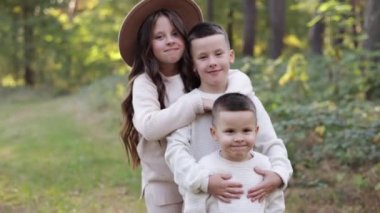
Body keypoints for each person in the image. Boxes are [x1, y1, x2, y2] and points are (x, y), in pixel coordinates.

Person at [118, 1, 253, 212]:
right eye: (159, 37)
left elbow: (234, 79)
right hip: (166, 187)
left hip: (206, 179)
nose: (169, 41)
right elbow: (150, 127)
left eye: (175, 34)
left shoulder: (194, 72)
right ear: (147, 43)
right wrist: (195, 103)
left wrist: (238, 93)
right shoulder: (145, 82)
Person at [165, 22, 292, 212]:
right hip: (205, 201)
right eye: (203, 57)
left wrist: (279, 174)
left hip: (249, 197)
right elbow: (175, 152)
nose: (212, 62)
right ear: (193, 64)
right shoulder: (188, 105)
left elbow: (271, 143)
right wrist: (204, 181)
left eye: (218, 54)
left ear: (230, 56)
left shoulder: (248, 101)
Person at [185, 92, 285, 213]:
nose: (239, 138)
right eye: (230, 131)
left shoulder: (265, 166)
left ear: (256, 131)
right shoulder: (206, 166)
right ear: (214, 133)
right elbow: (194, 205)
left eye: (246, 130)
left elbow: (275, 205)